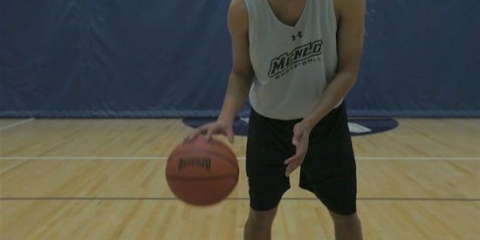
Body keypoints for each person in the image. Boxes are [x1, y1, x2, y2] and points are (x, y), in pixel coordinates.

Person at [186, 0, 365, 239]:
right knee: (260, 215)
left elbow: (348, 71)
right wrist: (226, 116)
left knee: (345, 214)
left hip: (326, 123)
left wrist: (309, 122)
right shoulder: (242, 9)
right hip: (268, 126)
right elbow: (241, 72)